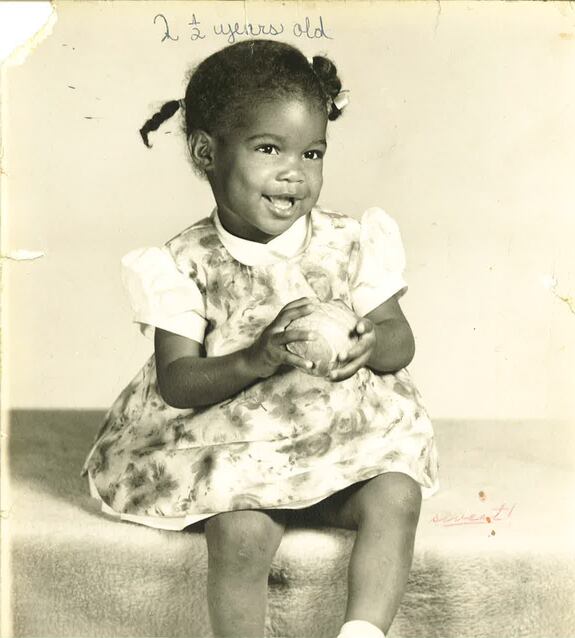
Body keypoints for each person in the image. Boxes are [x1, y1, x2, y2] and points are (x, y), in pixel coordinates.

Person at [82, 39, 439, 638]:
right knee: (241, 531)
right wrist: (254, 357)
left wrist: (369, 345)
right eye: (268, 148)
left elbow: (401, 340)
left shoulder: (351, 240)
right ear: (206, 153)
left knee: (398, 494)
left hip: (342, 439)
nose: (293, 172)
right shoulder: (183, 264)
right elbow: (177, 380)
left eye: (313, 152)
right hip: (236, 446)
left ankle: (363, 632)